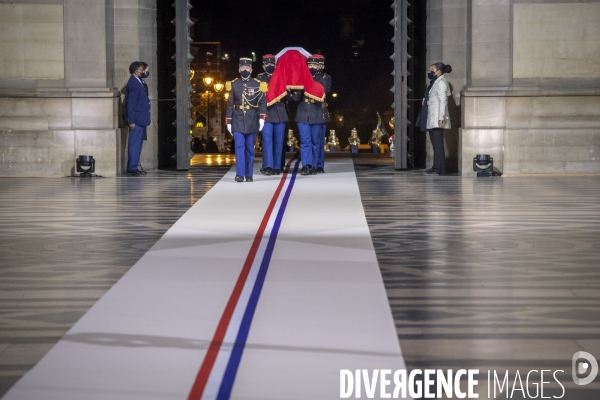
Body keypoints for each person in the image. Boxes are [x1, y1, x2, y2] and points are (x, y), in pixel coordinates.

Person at [225, 57, 267, 182]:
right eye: (242, 68)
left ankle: (249, 175)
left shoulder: (258, 84)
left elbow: (263, 103)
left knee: (249, 148)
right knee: (239, 147)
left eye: (247, 68)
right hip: (237, 119)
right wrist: (228, 121)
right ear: (239, 69)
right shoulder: (233, 84)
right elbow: (229, 104)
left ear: (251, 69)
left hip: (252, 119)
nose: (245, 69)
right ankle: (239, 174)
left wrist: (262, 118)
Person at [293, 55, 328, 175]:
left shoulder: (323, 78)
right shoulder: (302, 78)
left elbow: (324, 90)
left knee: (315, 141)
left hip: (317, 112)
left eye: (314, 65)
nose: (312, 67)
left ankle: (314, 164)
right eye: (310, 65)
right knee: (305, 141)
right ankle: (306, 165)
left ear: (318, 66)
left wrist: (307, 81)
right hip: (303, 112)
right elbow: (296, 97)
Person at [417, 62, 452, 175]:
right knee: (434, 143)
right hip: (433, 117)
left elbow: (443, 102)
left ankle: (441, 169)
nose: (429, 72)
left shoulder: (441, 83)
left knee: (438, 143)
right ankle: (436, 166)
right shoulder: (435, 83)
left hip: (437, 118)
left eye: (431, 70)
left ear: (438, 71)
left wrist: (441, 118)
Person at [257, 54, 289, 176]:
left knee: (279, 141)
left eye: (272, 64)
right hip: (266, 112)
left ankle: (277, 166)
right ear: (263, 66)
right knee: (266, 140)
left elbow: (287, 96)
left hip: (279, 111)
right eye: (267, 64)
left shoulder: (282, 77)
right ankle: (268, 166)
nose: (269, 66)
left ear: (275, 65)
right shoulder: (260, 78)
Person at [124, 61, 151, 176]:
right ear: (136, 71)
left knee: (138, 144)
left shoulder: (139, 82)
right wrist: (132, 121)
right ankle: (132, 168)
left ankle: (135, 165)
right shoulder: (134, 83)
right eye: (144, 70)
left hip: (141, 118)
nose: (145, 72)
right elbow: (131, 104)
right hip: (137, 119)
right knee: (134, 143)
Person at [313, 55, 331, 173]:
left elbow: (326, 90)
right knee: (311, 141)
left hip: (320, 110)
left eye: (320, 65)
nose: (318, 67)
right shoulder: (307, 76)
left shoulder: (325, 77)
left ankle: (319, 164)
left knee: (319, 140)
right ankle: (312, 164)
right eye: (315, 65)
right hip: (309, 109)